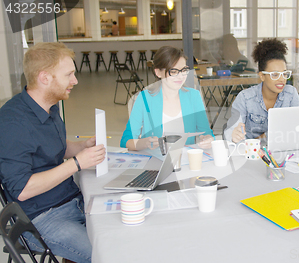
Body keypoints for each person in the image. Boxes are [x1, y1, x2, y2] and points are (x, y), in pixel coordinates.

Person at [0, 42, 106, 262]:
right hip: (42, 218)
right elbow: (22, 190)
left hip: (72, 200)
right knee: (108, 254)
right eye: (69, 74)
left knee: (124, 234)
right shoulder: (12, 123)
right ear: (45, 78)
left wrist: (82, 147)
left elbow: (52, 148)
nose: (75, 81)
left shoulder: (49, 105)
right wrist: (76, 163)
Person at [120, 46, 214, 150]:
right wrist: (144, 143)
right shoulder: (144, 98)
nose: (180, 76)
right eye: (173, 71)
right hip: (155, 162)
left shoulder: (193, 96)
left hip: (185, 160)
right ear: (158, 72)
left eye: (184, 70)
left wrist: (208, 140)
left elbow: (207, 133)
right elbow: (126, 141)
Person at [224, 38, 299, 143]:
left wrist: (261, 138)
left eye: (284, 73)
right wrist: (234, 134)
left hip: (283, 152)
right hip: (251, 155)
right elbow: (230, 131)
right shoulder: (245, 98)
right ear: (262, 76)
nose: (282, 79)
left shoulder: (291, 94)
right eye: (274, 74)